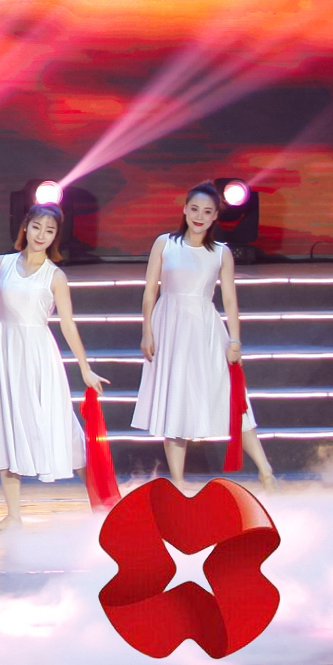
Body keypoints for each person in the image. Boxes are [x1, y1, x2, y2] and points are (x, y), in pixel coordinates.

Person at [132, 182, 277, 489]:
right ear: (185, 209)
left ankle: (266, 471)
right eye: (195, 209)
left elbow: (230, 300)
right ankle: (179, 481)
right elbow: (149, 291)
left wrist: (235, 340)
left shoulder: (221, 253)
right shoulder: (165, 243)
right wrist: (146, 331)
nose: (199, 216)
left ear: (215, 217)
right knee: (174, 400)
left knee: (232, 398)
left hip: (206, 331)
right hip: (169, 328)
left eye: (207, 212)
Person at [0, 202, 105, 529]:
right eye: (37, 227)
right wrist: (3, 336)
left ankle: (102, 504)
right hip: (6, 353)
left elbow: (68, 324)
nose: (41, 235)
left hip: (39, 356)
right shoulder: (2, 263)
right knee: (8, 423)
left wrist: (85, 367)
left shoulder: (55, 276)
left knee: (58, 424)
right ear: (26, 226)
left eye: (49, 231)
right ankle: (13, 514)